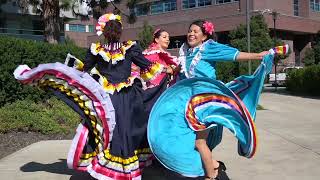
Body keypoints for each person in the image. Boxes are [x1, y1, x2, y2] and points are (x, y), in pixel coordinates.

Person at [14, 13, 172, 180]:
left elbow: (84, 70)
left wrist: (72, 71)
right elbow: (147, 66)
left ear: (104, 32)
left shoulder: (96, 49)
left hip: (104, 98)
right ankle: (122, 168)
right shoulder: (130, 47)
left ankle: (105, 162)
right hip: (126, 97)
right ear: (120, 31)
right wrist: (167, 70)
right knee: (124, 130)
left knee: (103, 129)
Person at [147, 20, 288, 180]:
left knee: (199, 143)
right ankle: (212, 164)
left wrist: (258, 55)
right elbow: (182, 73)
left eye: (195, 31)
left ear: (204, 35)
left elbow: (233, 55)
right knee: (187, 137)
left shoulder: (209, 48)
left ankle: (211, 174)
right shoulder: (186, 51)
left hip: (206, 102)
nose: (191, 34)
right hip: (190, 103)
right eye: (190, 31)